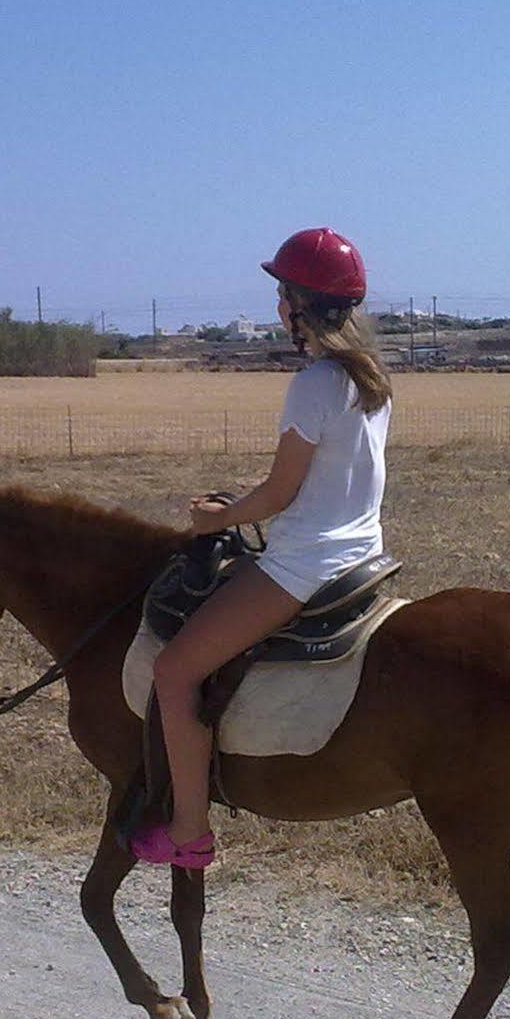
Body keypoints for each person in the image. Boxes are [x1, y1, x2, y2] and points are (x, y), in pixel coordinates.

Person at [133, 228, 394, 869]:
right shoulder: (372, 379)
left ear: (297, 305)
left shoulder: (314, 383)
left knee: (173, 672)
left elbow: (279, 493)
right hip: (364, 552)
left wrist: (213, 518)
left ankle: (190, 831)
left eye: (282, 294)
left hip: (306, 563)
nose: (279, 306)